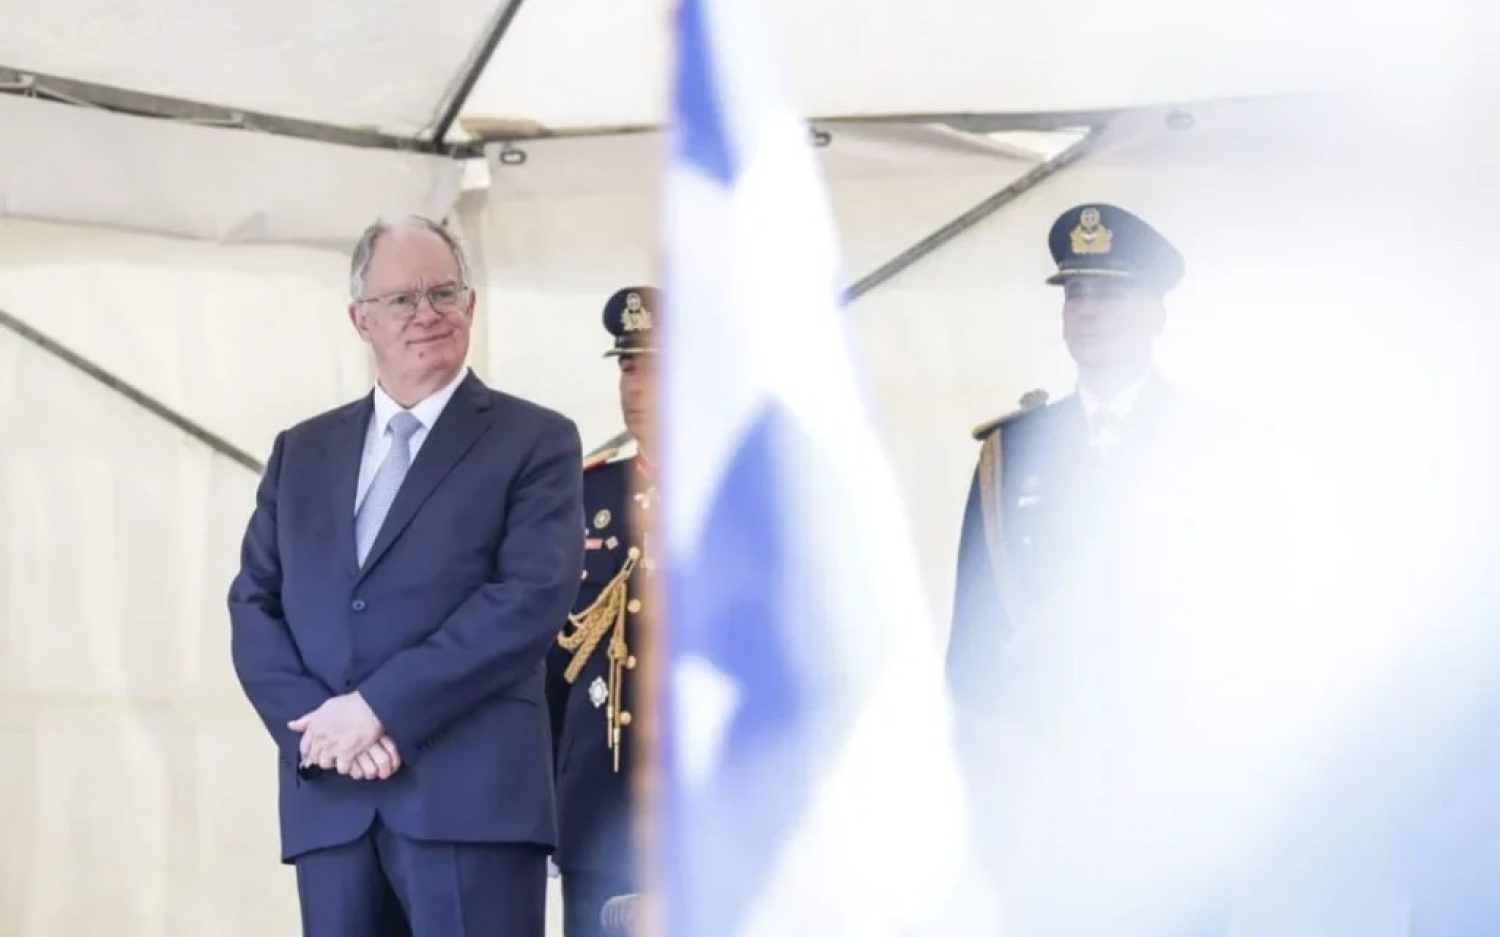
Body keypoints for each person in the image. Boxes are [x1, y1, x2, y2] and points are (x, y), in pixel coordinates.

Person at [228, 215, 584, 937]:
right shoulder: (301, 451)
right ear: (360, 319)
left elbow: (528, 599)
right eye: (401, 299)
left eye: (443, 293)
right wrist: (320, 731)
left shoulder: (535, 439)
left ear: (471, 305)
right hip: (332, 803)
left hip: (471, 805)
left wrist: (378, 708)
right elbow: (253, 605)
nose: (427, 314)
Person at [546, 286, 660, 937]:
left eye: (653, 369)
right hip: (596, 801)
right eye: (627, 367)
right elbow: (549, 659)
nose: (635, 387)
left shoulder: (734, 499)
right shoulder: (585, 495)